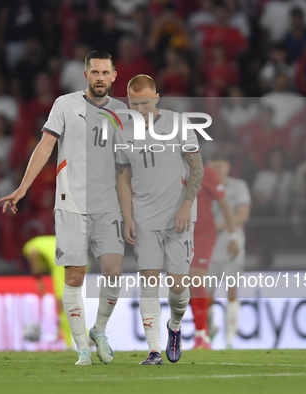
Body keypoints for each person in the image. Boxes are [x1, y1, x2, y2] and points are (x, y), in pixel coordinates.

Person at [0, 51, 127, 366]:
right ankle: (82, 346)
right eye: (94, 72)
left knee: (114, 274)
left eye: (104, 73)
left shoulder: (122, 111)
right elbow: (45, 146)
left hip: (108, 205)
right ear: (85, 75)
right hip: (71, 203)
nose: (99, 78)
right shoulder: (65, 105)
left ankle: (99, 330)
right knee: (74, 277)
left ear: (114, 76)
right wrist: (24, 187)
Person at [115, 75, 202, 365]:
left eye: (145, 103)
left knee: (178, 287)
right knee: (149, 281)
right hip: (144, 217)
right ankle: (153, 351)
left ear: (157, 98)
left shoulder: (179, 124)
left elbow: (197, 168)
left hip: (178, 214)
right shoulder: (122, 132)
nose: (140, 109)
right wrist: (127, 216)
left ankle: (174, 327)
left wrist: (187, 205)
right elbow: (123, 178)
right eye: (134, 103)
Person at [190, 163, 240, 349]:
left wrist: (233, 236)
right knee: (181, 288)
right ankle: (207, 326)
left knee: (195, 280)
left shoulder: (206, 172)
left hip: (203, 233)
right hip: (179, 233)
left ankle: (201, 334)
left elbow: (225, 204)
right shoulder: (168, 169)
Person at [206, 153, 251, 349]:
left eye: (221, 164)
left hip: (232, 242)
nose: (217, 167)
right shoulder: (203, 186)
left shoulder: (238, 186)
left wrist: (219, 226)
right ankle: (211, 328)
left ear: (228, 166)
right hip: (209, 245)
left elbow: (243, 215)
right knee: (205, 296)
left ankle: (230, 340)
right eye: (213, 164)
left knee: (232, 290)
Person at [22, 235, 72, 349]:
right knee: (71, 301)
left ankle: (70, 341)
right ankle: (77, 336)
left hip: (62, 263)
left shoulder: (29, 246)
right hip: (80, 260)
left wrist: (38, 278)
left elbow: (33, 254)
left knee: (63, 303)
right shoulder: (49, 243)